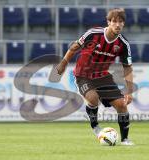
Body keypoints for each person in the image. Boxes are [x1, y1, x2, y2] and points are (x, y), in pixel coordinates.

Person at [56, 8, 134, 145]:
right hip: (83, 74)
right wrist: (63, 63)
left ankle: (125, 140)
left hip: (102, 75)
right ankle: (95, 126)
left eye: (121, 22)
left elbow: (127, 67)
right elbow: (74, 47)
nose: (117, 24)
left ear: (124, 24)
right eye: (114, 21)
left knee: (122, 105)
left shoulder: (123, 44)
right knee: (93, 98)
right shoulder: (93, 34)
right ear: (108, 22)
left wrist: (130, 91)